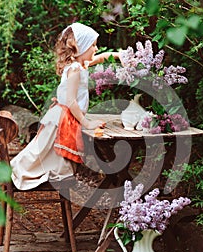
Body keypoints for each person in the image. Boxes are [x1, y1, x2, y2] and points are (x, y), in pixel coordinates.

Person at [11, 22, 121, 190]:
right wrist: (87, 123)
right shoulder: (75, 69)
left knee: (46, 151)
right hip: (62, 116)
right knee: (42, 151)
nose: (96, 49)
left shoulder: (79, 64)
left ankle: (34, 170)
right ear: (80, 48)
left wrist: (118, 55)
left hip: (62, 115)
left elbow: (99, 58)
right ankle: (20, 170)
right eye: (92, 45)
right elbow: (71, 101)